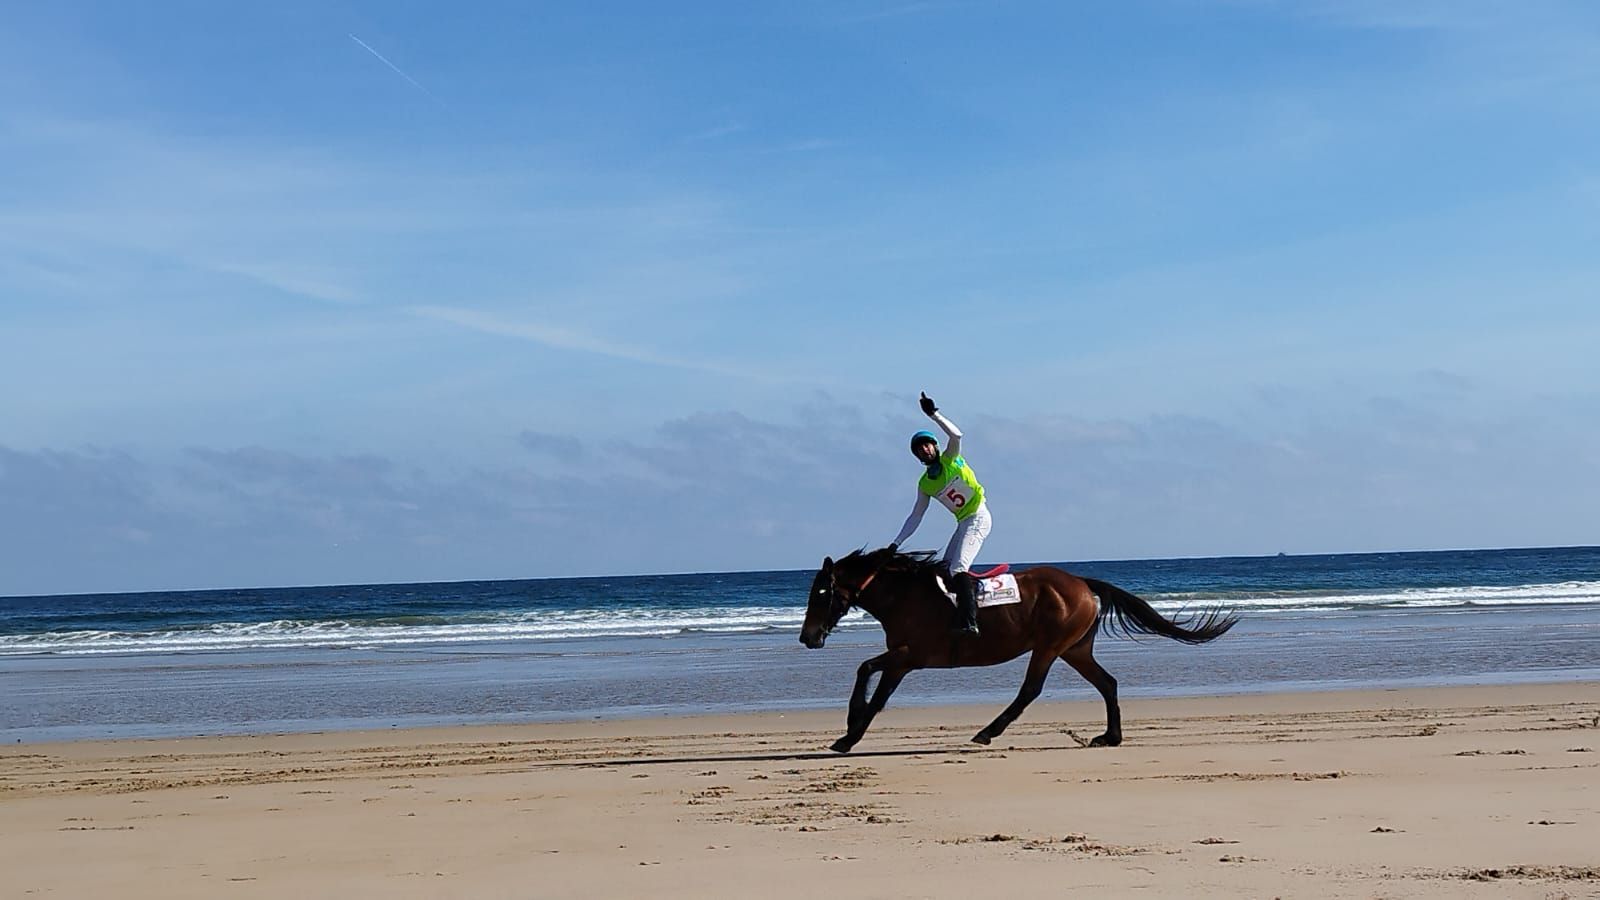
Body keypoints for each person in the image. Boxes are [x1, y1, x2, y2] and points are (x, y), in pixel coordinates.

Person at [888, 392, 992, 636]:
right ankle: (953, 614)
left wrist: (934, 414)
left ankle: (970, 622)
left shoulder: (951, 459)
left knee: (958, 569)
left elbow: (957, 435)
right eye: (919, 449)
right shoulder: (925, 484)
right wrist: (895, 543)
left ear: (935, 446)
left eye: (927, 444)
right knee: (945, 570)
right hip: (963, 522)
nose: (925, 450)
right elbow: (916, 516)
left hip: (978, 516)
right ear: (918, 457)